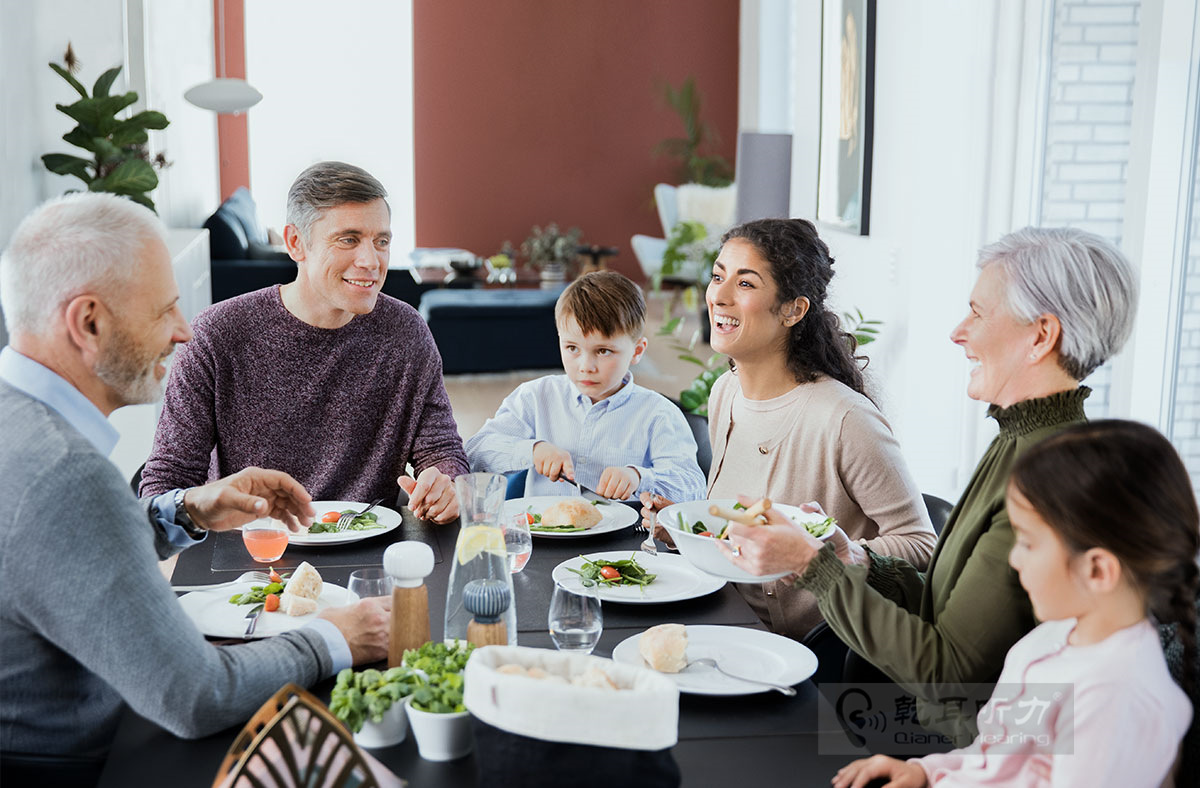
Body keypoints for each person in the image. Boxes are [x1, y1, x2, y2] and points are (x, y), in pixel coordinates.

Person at [0, 193, 391, 776]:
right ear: (89, 322)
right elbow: (195, 696)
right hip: (87, 762)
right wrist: (337, 638)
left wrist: (182, 512)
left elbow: (55, 554)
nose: (184, 332)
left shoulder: (19, 422)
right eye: (165, 310)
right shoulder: (67, 473)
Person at [723, 226, 1139, 741]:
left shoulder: (1052, 474)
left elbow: (949, 675)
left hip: (958, 741)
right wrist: (857, 560)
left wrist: (814, 568)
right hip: (942, 733)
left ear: (1040, 336)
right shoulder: (1020, 438)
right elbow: (946, 612)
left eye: (979, 314)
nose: (958, 332)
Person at [832, 420, 1195, 788]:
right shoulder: (1054, 637)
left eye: (1029, 544)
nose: (1014, 559)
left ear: (1098, 569)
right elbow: (997, 752)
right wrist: (927, 771)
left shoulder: (1116, 700)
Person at [642, 218, 936, 638]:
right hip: (722, 615)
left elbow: (922, 544)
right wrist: (686, 531)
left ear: (794, 310)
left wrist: (828, 556)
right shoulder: (725, 392)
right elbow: (741, 528)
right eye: (717, 277)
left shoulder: (844, 418)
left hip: (799, 651)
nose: (719, 297)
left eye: (745, 284)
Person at [139, 162, 467, 522]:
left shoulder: (406, 332)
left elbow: (442, 449)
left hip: (370, 553)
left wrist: (446, 483)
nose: (371, 261)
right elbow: (167, 483)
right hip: (257, 554)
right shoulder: (217, 335)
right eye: (349, 239)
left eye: (382, 241)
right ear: (296, 243)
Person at [465, 271, 706, 502]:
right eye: (572, 348)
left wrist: (639, 477)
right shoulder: (535, 396)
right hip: (544, 539)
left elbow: (693, 488)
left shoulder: (659, 414)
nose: (585, 366)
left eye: (603, 351)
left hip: (621, 541)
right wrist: (533, 450)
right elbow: (476, 452)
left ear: (637, 351)